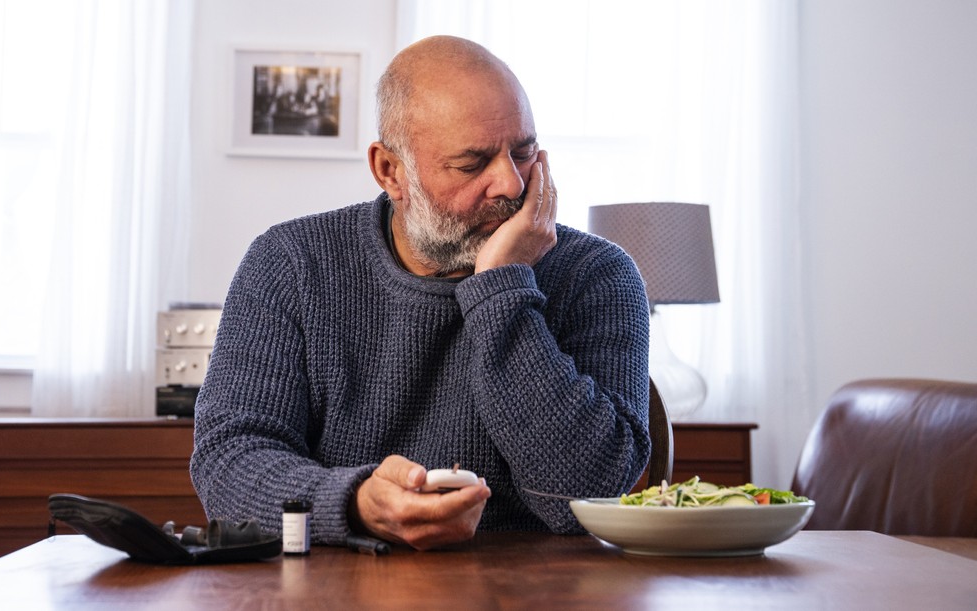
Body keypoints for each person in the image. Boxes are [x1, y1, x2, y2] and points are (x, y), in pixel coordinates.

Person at [189, 35, 650, 551]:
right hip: (338, 586)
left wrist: (503, 288)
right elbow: (228, 461)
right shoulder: (291, 262)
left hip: (533, 589)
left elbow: (586, 495)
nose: (512, 186)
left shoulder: (598, 274)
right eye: (472, 164)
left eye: (523, 153)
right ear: (390, 171)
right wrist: (356, 504)